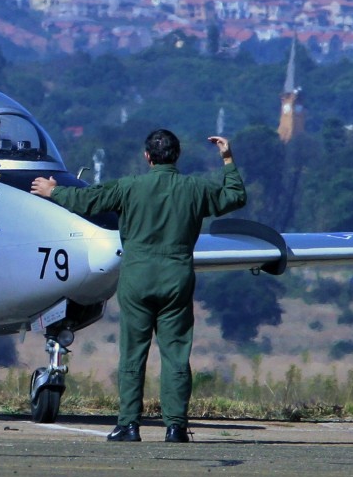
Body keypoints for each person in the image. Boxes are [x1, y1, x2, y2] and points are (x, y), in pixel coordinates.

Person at [31, 129, 245, 443]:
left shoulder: (130, 187)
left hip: (137, 276)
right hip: (177, 277)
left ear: (148, 157)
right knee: (175, 354)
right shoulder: (195, 189)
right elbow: (235, 196)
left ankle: (129, 425)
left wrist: (54, 191)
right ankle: (176, 427)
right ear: (177, 156)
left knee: (133, 354)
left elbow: (88, 200)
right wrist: (227, 159)